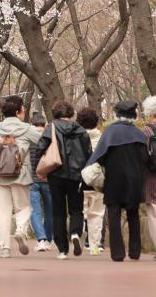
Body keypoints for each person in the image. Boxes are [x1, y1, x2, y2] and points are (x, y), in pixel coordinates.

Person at [87, 101, 148, 262]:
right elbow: (145, 159)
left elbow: (98, 157)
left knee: (113, 213)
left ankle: (117, 253)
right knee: (133, 213)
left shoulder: (110, 133)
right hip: (135, 180)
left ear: (117, 114)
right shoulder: (140, 134)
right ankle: (135, 252)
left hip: (114, 179)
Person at [36, 101, 91, 260]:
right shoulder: (80, 129)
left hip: (56, 173)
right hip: (76, 174)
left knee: (58, 210)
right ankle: (75, 233)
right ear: (71, 113)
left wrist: (39, 168)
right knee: (76, 208)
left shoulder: (51, 127)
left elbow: (41, 147)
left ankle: (62, 249)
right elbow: (88, 152)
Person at [0, 95, 41, 258]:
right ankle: (20, 229)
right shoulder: (26, 129)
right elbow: (43, 141)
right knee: (24, 207)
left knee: (2, 212)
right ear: (18, 111)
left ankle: (4, 248)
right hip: (20, 175)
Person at [76, 107, 105, 256]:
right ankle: (95, 246)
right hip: (97, 182)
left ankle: (79, 234)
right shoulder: (102, 138)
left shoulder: (75, 138)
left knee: (80, 212)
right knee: (97, 214)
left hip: (79, 182)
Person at [141, 96, 156, 261]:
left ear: (149, 112)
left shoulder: (146, 131)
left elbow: (141, 155)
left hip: (153, 176)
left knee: (155, 213)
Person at [28, 113, 53, 252]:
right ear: (44, 125)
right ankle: (48, 238)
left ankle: (41, 239)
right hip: (48, 179)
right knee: (50, 210)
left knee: (35, 211)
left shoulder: (28, 138)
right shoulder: (49, 138)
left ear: (32, 124)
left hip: (32, 180)